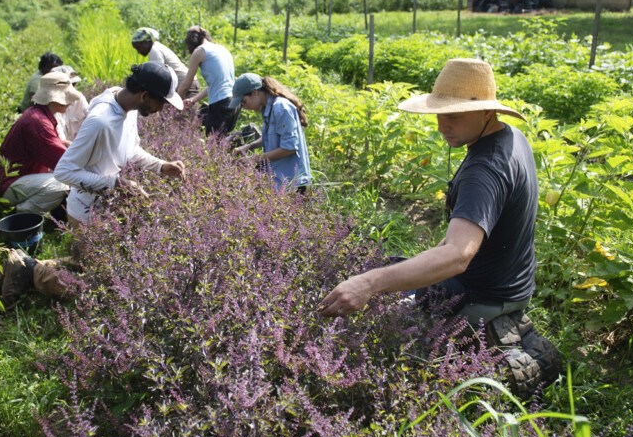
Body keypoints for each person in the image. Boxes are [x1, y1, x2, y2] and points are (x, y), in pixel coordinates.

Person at [319, 58, 537, 325]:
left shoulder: (484, 171)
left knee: (378, 326)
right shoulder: (511, 136)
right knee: (396, 269)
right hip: (514, 286)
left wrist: (369, 283)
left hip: (483, 297)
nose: (441, 126)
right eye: (439, 114)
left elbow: (458, 255)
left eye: (453, 116)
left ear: (486, 112)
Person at [0, 63, 187, 308]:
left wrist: (161, 165)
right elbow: (65, 171)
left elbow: (129, 150)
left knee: (95, 265)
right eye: (161, 103)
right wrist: (115, 183)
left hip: (105, 207)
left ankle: (45, 264)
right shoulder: (101, 121)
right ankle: (29, 270)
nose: (161, 109)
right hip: (86, 213)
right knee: (97, 288)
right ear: (144, 95)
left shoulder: (124, 106)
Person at [0, 71, 85, 216]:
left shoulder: (38, 114)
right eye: (66, 98)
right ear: (54, 99)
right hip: (9, 183)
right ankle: (22, 216)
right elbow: (64, 162)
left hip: (18, 177)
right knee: (60, 185)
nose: (71, 102)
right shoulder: (39, 123)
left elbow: (53, 145)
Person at [230, 73, 312, 192]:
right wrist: (249, 146)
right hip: (279, 178)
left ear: (254, 92)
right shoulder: (268, 108)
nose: (244, 106)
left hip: (292, 183)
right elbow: (270, 137)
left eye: (244, 101)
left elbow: (289, 148)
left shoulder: (280, 107)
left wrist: (254, 158)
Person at [179, 26, 240, 135]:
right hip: (235, 102)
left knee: (213, 145)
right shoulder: (222, 49)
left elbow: (187, 84)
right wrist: (193, 100)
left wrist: (173, 102)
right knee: (221, 143)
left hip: (221, 104)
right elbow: (216, 84)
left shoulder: (200, 51)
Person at [131, 27, 199, 97]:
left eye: (138, 47)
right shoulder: (157, 47)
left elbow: (157, 76)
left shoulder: (155, 50)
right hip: (188, 83)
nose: (138, 52)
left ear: (146, 42)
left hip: (185, 85)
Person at [51, 64, 88, 142]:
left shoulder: (79, 98)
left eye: (73, 85)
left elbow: (89, 123)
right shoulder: (51, 105)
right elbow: (59, 139)